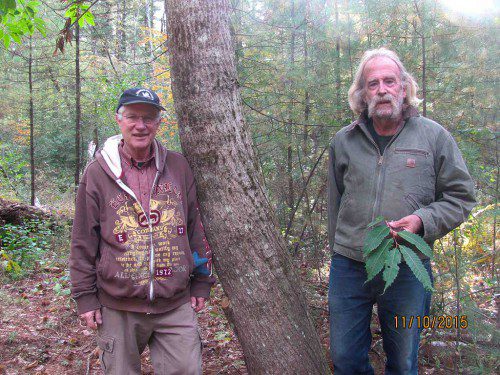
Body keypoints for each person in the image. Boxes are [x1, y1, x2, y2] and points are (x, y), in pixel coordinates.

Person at [327, 48, 476, 374]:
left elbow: (462, 197)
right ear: (362, 93)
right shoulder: (344, 141)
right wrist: (336, 252)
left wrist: (423, 220)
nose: (381, 89)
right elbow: (334, 205)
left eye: (389, 81)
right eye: (373, 83)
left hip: (408, 268)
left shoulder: (434, 137)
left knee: (403, 362)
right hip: (349, 269)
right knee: (345, 360)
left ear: (404, 87)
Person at [70, 87, 215, 374]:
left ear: (158, 123)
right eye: (133, 117)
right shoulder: (98, 173)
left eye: (148, 118)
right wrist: (85, 296)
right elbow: (83, 240)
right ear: (119, 120)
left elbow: (193, 228)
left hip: (175, 303)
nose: (140, 125)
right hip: (118, 306)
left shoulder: (178, 166)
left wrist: (201, 280)